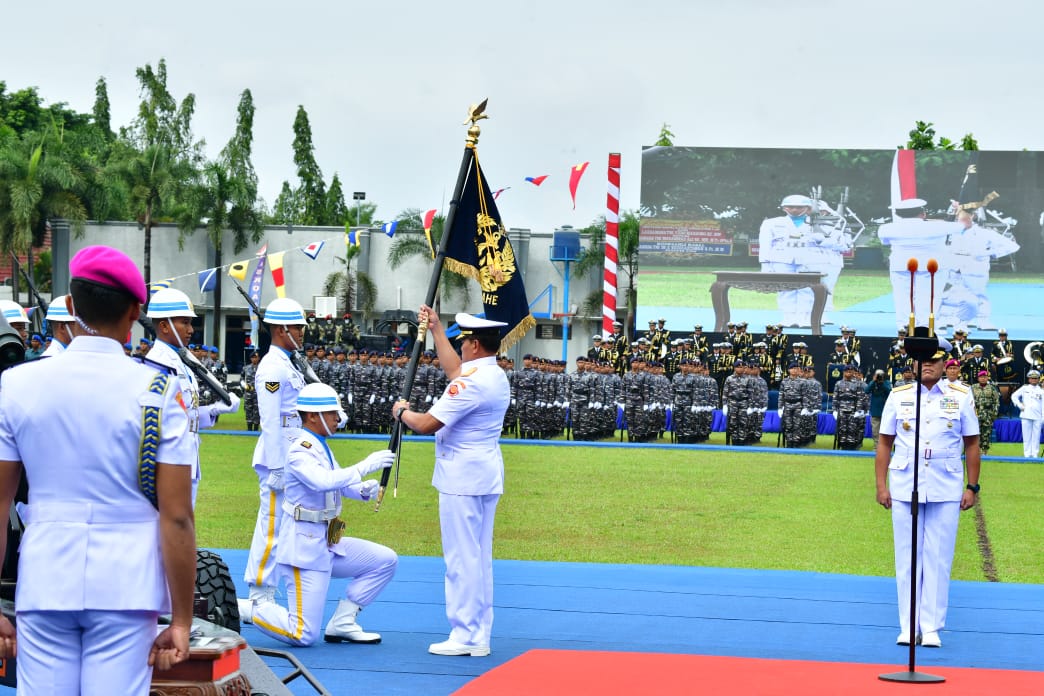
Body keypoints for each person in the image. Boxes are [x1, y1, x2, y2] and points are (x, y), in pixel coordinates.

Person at [0, 245, 197, 693]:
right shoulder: (159, 389)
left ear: (70, 308)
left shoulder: (16, 385)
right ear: (135, 311)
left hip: (46, 580)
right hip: (126, 587)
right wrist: (182, 619)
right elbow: (177, 515)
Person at [392, 308, 510, 657]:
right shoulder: (493, 375)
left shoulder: (470, 384)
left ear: (474, 344)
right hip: (483, 474)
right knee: (478, 558)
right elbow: (453, 370)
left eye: (463, 343)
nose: (459, 348)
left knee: (461, 559)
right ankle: (478, 632)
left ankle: (464, 633)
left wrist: (402, 413)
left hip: (463, 479)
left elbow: (429, 424)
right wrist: (437, 330)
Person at [241, 383, 397, 646]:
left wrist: (362, 490)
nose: (338, 418)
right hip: (304, 549)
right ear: (312, 416)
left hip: (327, 541)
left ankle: (343, 622)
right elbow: (322, 481)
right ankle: (247, 609)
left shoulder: (319, 445)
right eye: (332, 413)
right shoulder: (299, 449)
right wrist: (364, 466)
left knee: (385, 561)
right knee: (302, 634)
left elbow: (338, 482)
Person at [875, 339, 980, 648]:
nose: (928, 365)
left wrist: (972, 487)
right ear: (913, 363)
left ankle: (931, 626)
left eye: (935, 360)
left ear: (944, 362)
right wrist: (881, 485)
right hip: (906, 483)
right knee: (907, 556)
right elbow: (884, 442)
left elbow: (972, 443)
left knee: (938, 556)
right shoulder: (899, 395)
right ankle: (908, 626)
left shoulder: (960, 396)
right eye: (923, 360)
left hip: (946, 485)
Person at [146, 288, 241, 505]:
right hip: (169, 461)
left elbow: (186, 413)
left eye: (191, 323)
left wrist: (214, 410)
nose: (190, 330)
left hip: (187, 458)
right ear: (163, 325)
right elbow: (162, 420)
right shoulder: (158, 363)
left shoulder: (182, 360)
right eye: (184, 322)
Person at [243, 297, 308, 607]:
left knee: (285, 525)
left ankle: (268, 589)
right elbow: (270, 421)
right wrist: (276, 466)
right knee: (272, 524)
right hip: (278, 456)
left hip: (294, 453)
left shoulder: (288, 363)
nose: (303, 332)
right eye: (298, 327)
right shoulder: (271, 366)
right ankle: (258, 592)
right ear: (282, 329)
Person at [876, 199, 959, 330]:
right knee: (929, 296)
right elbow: (963, 226)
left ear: (898, 214)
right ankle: (926, 327)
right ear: (923, 213)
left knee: (903, 297)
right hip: (931, 266)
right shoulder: (938, 226)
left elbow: (885, 242)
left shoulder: (886, 228)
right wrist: (960, 209)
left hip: (901, 265)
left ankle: (905, 327)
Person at [1010, 370, 1044, 458]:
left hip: (1038, 416)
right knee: (1026, 436)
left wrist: (1043, 417)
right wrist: (1019, 405)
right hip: (1026, 415)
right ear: (1029, 379)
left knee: (1036, 436)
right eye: (1032, 378)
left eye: (1036, 378)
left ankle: (1035, 454)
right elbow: (1014, 396)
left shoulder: (1041, 390)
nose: (1034, 380)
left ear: (1038, 379)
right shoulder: (1024, 388)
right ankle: (1027, 454)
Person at [971, 370, 1000, 454]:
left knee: (986, 433)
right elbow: (969, 401)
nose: (983, 379)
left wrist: (994, 414)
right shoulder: (973, 388)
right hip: (975, 415)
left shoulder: (992, 388)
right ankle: (975, 451)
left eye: (985, 377)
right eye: (981, 377)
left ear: (987, 378)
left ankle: (984, 451)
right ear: (978, 378)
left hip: (988, 415)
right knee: (975, 433)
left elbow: (996, 402)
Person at [865, 369, 892, 447]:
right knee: (875, 431)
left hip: (886, 412)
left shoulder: (887, 383)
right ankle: (876, 447)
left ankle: (885, 447)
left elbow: (890, 391)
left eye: (881, 375)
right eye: (878, 375)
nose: (879, 377)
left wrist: (882, 383)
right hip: (875, 411)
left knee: (886, 431)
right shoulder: (873, 383)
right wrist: (874, 381)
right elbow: (866, 390)